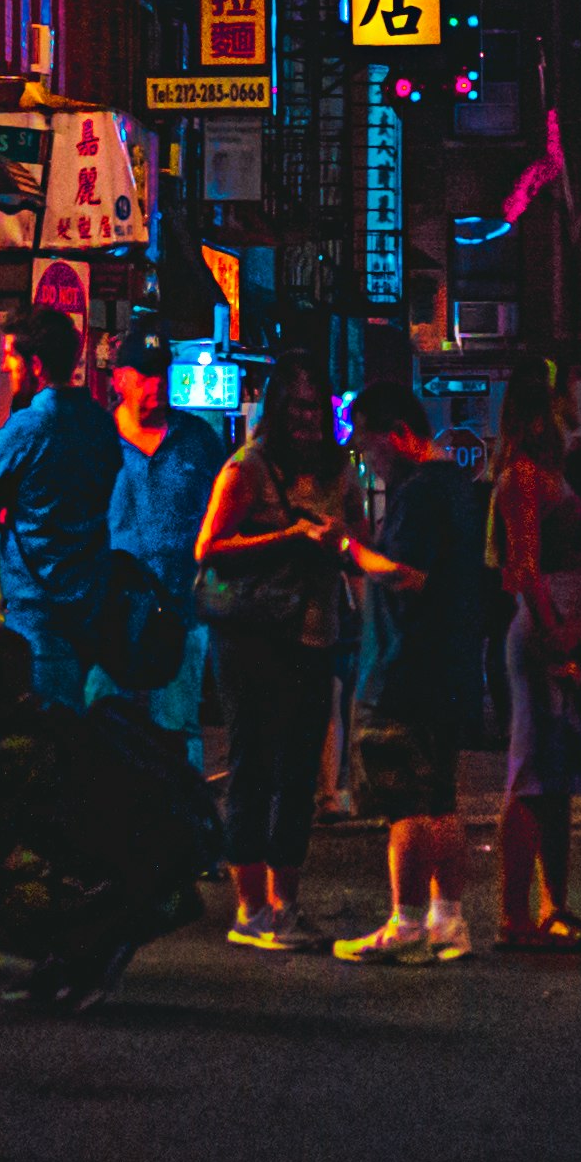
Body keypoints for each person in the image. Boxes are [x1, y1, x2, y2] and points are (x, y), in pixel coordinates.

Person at [192, 397, 404, 946]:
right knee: (253, 764)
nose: (307, 418)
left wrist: (352, 554)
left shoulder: (340, 472)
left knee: (299, 770)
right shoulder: (248, 466)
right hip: (250, 635)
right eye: (296, 403)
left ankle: (284, 904)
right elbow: (208, 546)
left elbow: (360, 545)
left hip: (315, 633)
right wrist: (289, 536)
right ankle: (251, 909)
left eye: (315, 405)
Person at [0, 624, 221, 1010]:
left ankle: (80, 952)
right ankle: (84, 950)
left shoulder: (21, 747)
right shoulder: (58, 720)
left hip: (128, 893)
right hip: (156, 885)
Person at [334, 384, 495, 962]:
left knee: (406, 802)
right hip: (447, 667)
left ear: (400, 435)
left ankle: (404, 922)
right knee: (440, 799)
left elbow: (406, 573)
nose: (367, 459)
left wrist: (349, 548)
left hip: (406, 669)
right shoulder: (455, 486)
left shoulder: (421, 490)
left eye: (370, 447)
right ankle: (447, 919)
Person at [484, 368, 581, 951]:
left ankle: (553, 904)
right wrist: (558, 637)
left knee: (554, 779)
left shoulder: (543, 474)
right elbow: (526, 570)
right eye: (563, 404)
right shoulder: (525, 477)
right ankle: (515, 914)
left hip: (556, 630)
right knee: (532, 777)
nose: (572, 415)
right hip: (544, 635)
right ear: (541, 414)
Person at [0, 302, 125, 706]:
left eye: (10, 360)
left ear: (35, 365)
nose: (5, 369)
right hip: (93, 607)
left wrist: (8, 508)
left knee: (40, 733)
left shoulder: (26, 427)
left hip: (38, 613)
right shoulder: (101, 422)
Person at [98, 338, 223, 728]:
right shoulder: (96, 439)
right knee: (105, 725)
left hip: (180, 611)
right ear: (119, 380)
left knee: (178, 726)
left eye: (162, 373)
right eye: (144, 374)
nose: (156, 384)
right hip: (109, 614)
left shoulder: (199, 441)